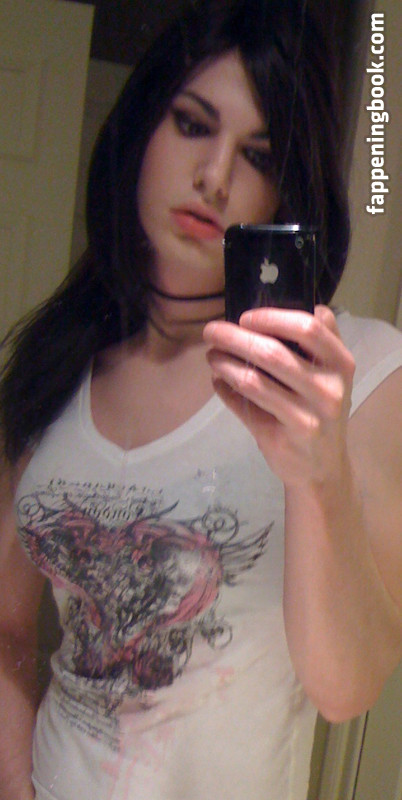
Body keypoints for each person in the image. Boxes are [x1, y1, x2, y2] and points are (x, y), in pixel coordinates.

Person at [0, 1, 401, 798]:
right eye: (192, 125)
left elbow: (346, 689)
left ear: (285, 192)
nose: (215, 176)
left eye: (258, 156)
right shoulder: (55, 365)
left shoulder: (358, 375)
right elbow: (8, 626)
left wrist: (317, 478)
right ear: (142, 129)